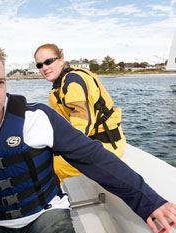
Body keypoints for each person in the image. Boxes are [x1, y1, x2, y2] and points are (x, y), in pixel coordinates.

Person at [0, 39, 176, 233]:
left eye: (0, 82)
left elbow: (94, 158)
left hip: (46, 214)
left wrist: (150, 201)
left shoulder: (38, 118)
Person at [34, 44, 126, 184]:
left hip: (105, 146)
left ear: (61, 60)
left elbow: (81, 121)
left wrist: (61, 149)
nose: (44, 68)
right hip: (94, 142)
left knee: (45, 168)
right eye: (40, 65)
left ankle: (54, 203)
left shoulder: (72, 82)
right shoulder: (62, 83)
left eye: (48, 61)